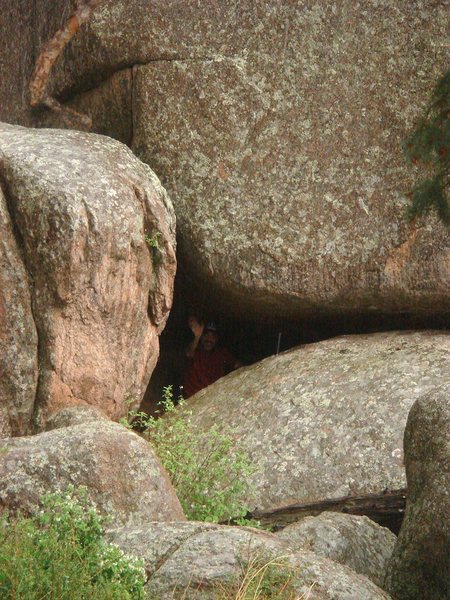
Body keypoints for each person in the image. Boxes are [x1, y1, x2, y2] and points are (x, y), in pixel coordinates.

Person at [182, 316, 241, 398]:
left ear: (217, 339)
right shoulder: (196, 350)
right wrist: (197, 336)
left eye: (213, 336)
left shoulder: (221, 353)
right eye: (206, 335)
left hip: (213, 396)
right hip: (192, 397)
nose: (209, 339)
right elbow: (189, 353)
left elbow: (238, 366)